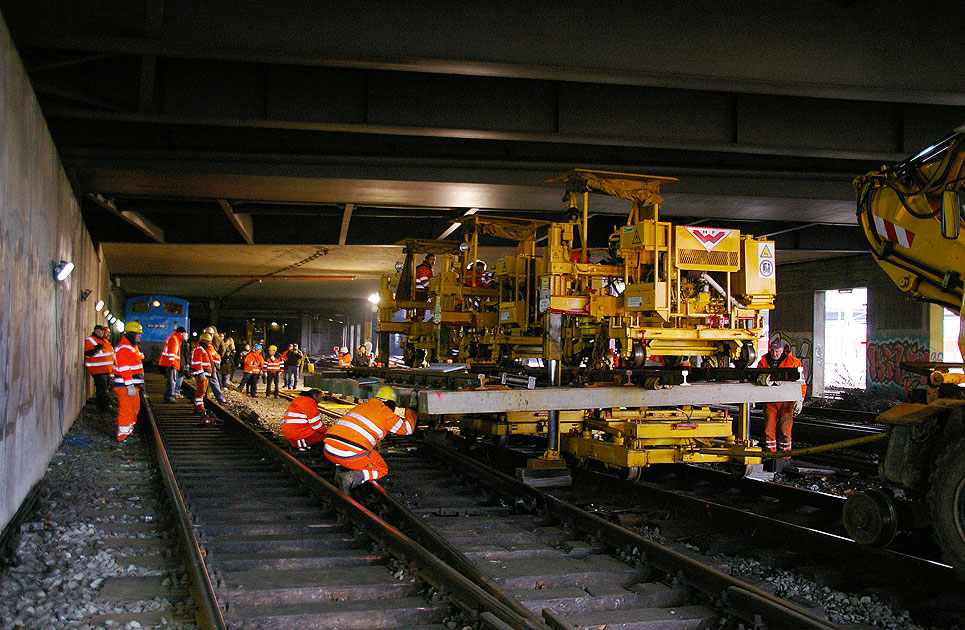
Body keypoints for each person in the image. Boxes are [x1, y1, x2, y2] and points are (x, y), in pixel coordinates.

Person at [322, 385, 416, 491]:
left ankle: (339, 470)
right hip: (350, 455)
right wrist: (411, 410)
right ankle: (351, 477)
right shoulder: (385, 412)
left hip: (328, 450)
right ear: (391, 404)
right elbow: (407, 429)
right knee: (382, 468)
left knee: (352, 446)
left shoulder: (361, 406)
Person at [757, 340, 806, 454]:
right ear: (770, 350)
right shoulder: (763, 363)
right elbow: (756, 380)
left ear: (783, 350)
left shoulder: (794, 363)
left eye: (777, 351)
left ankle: (785, 456)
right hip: (770, 401)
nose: (775, 354)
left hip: (787, 402)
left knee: (785, 430)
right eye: (773, 351)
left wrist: (800, 399)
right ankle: (771, 455)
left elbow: (801, 383)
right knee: (769, 430)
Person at [112, 321, 146, 442]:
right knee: (126, 410)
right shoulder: (124, 348)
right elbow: (124, 369)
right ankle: (122, 436)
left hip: (131, 386)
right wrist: (129, 385)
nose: (140, 336)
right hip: (125, 387)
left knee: (133, 409)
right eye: (138, 334)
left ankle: (128, 431)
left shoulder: (130, 347)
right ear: (131, 334)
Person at [84, 324, 114, 412]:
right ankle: (103, 407)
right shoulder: (91, 340)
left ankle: (103, 405)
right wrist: (96, 349)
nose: (103, 334)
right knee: (102, 389)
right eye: (102, 332)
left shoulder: (104, 341)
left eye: (103, 332)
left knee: (104, 388)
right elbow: (88, 353)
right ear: (96, 331)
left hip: (105, 370)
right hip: (98, 370)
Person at [158, 326, 187, 403]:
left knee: (170, 381)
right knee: (172, 381)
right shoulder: (174, 339)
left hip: (172, 363)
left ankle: (168, 397)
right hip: (172, 364)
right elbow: (172, 352)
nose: (184, 335)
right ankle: (170, 397)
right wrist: (172, 363)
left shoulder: (174, 338)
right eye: (184, 333)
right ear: (181, 333)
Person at [411, 253, 435, 320]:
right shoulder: (424, 269)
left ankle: (418, 320)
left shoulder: (425, 268)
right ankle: (418, 322)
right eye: (431, 259)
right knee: (420, 311)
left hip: (420, 292)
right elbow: (424, 281)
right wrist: (433, 289)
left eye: (434, 260)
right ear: (426, 260)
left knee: (420, 311)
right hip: (420, 292)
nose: (433, 261)